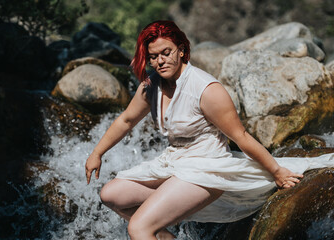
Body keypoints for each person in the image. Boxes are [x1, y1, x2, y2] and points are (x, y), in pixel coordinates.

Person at [85, 20, 332, 240]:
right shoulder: (151, 87)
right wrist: (97, 153)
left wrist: (277, 171)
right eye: (153, 56)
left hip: (205, 169)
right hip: (173, 163)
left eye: (166, 52)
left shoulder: (206, 90)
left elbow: (241, 136)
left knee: (139, 228)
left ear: (181, 50)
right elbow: (126, 120)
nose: (160, 61)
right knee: (111, 194)